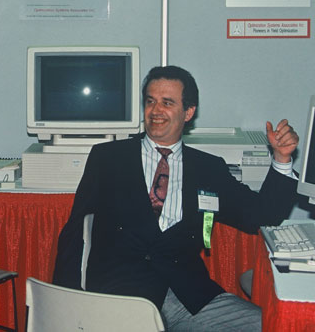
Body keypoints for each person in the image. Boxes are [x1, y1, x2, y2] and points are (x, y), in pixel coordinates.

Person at [52, 65, 299, 332]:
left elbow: (260, 216)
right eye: (150, 101)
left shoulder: (208, 168)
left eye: (167, 103)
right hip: (120, 297)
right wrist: (69, 303)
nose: (156, 111)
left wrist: (282, 159)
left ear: (188, 112)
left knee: (270, 325)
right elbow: (74, 231)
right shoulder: (108, 158)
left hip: (188, 296)